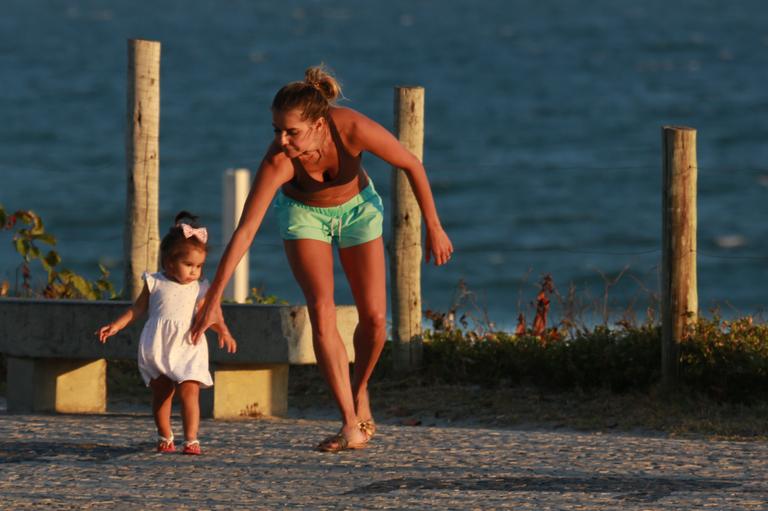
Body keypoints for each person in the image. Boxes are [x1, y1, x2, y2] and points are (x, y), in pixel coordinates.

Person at [191, 65, 453, 452]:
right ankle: (349, 422)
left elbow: (410, 164)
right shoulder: (278, 162)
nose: (281, 139)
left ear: (317, 123)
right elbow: (244, 232)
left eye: (290, 131)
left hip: (358, 210)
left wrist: (434, 225)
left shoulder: (350, 128)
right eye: (276, 130)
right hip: (303, 215)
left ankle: (359, 389)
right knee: (321, 307)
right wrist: (213, 300)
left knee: (376, 320)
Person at [98, 211, 237, 455]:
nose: (195, 271)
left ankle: (191, 439)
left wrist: (222, 330)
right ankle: (165, 435)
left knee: (190, 391)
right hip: (159, 345)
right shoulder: (155, 282)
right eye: (189, 265)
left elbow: (209, 316)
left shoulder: (199, 287)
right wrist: (116, 325)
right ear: (169, 262)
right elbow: (137, 309)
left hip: (188, 344)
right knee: (163, 393)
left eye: (199, 266)